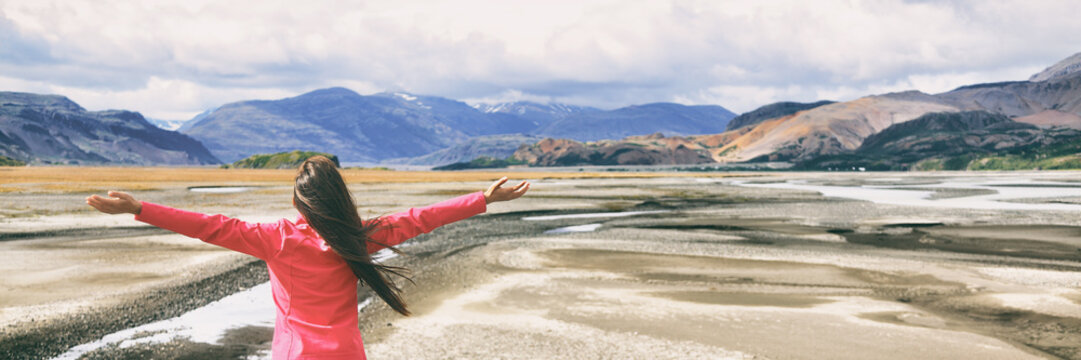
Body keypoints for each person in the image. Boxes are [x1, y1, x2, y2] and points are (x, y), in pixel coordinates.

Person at [85, 156, 530, 359]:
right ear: (338, 198)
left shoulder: (276, 237)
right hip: (348, 353)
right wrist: (480, 199)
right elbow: (418, 219)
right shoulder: (361, 237)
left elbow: (209, 226)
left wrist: (141, 209)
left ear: (301, 203)